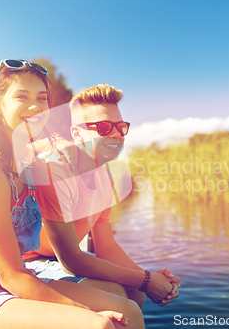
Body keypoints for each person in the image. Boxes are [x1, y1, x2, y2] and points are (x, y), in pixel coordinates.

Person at [0, 60, 145, 329]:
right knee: (99, 325)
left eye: (42, 99)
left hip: (15, 276)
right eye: (22, 97)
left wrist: (144, 279)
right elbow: (11, 275)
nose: (35, 107)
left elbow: (70, 152)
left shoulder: (30, 163)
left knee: (128, 308)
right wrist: (84, 312)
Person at [24, 84, 181, 309]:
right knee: (116, 295)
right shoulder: (56, 171)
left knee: (135, 294)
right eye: (105, 127)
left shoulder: (105, 176)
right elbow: (71, 260)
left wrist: (150, 277)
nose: (116, 134)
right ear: (77, 134)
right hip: (31, 261)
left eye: (121, 127)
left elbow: (106, 246)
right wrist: (146, 281)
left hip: (61, 259)